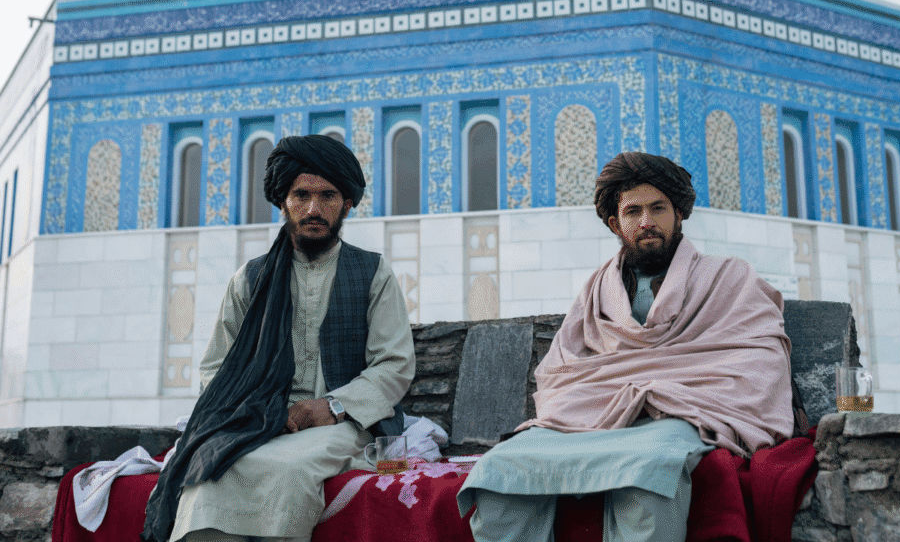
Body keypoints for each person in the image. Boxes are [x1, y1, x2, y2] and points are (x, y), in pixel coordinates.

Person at [457, 152, 794, 542]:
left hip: (683, 411)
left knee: (649, 475)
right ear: (616, 224)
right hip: (591, 415)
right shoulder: (598, 288)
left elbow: (760, 358)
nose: (647, 222)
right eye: (634, 212)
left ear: (679, 214)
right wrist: (615, 395)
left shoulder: (729, 276)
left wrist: (660, 393)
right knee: (501, 473)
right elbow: (560, 367)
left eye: (658, 208)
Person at [142, 135, 416, 542]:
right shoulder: (250, 279)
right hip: (256, 423)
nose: (313, 209)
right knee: (210, 474)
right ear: (283, 203)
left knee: (288, 473)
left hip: (342, 423)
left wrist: (331, 406)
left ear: (347, 204)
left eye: (327, 196)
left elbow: (394, 364)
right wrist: (255, 410)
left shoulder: (372, 273)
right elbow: (216, 367)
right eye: (301, 195)